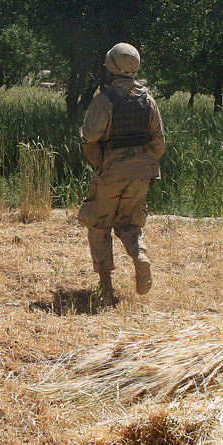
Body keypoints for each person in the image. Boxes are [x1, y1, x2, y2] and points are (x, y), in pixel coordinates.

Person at [77, 43, 165, 305]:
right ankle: (140, 257)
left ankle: (106, 285)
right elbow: (159, 142)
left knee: (99, 224)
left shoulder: (104, 100)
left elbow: (91, 135)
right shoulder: (148, 100)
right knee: (130, 223)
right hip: (143, 171)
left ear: (110, 67)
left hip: (113, 170)